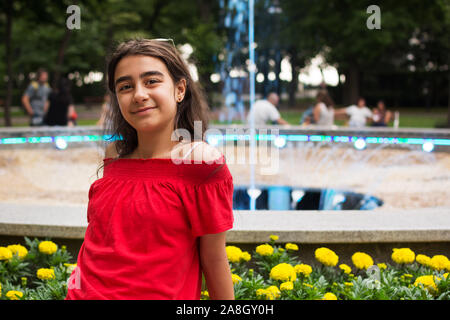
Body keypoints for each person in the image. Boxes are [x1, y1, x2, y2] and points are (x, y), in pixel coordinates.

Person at [65, 38, 235, 300]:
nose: (139, 94)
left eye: (151, 81)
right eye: (125, 86)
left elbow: (213, 261)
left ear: (179, 90)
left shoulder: (200, 161)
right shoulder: (114, 156)